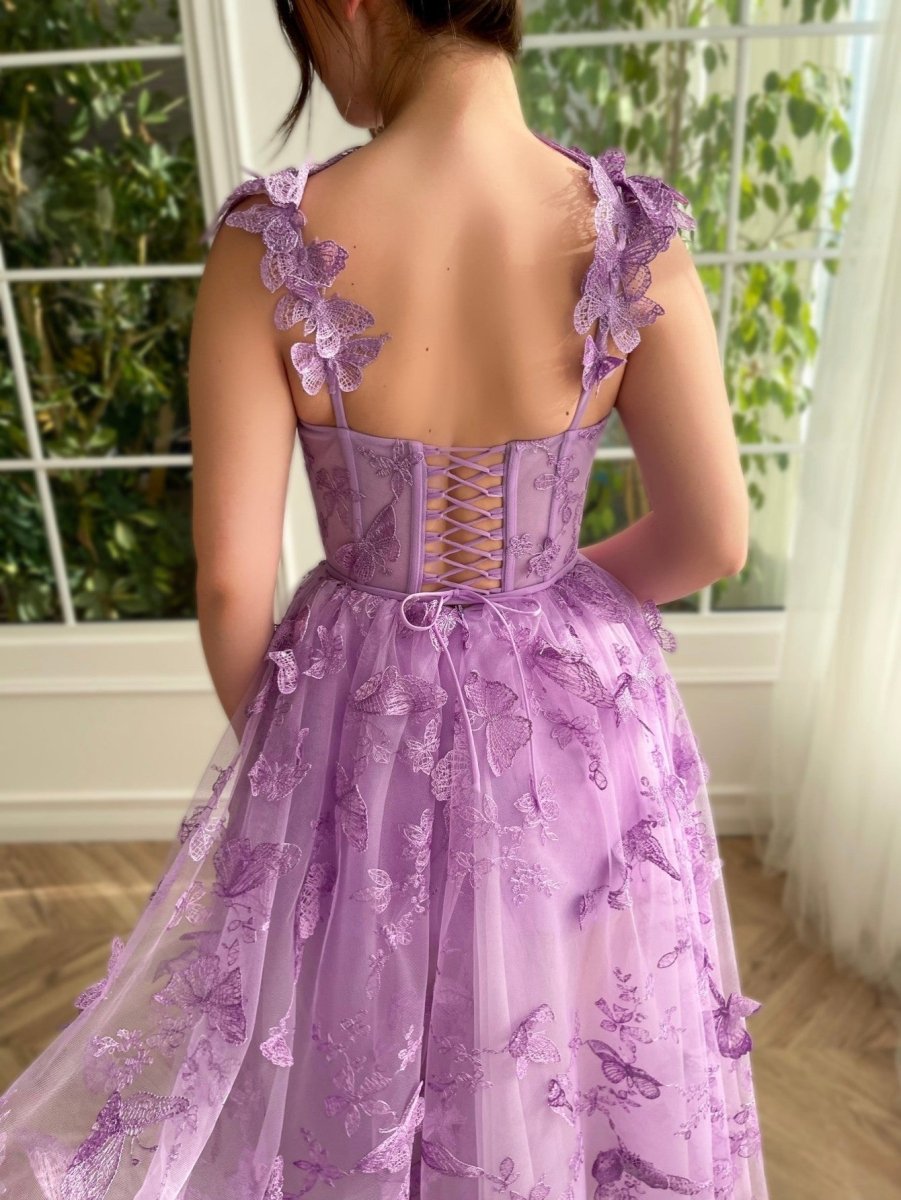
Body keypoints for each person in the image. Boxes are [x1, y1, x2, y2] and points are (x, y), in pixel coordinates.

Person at [0, 1, 769, 1197]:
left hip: (359, 724)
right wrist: (540, 611)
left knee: (351, 1056)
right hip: (573, 738)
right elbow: (712, 536)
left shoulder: (273, 242)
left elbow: (229, 581)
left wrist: (299, 773)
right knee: (559, 1053)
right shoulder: (627, 234)